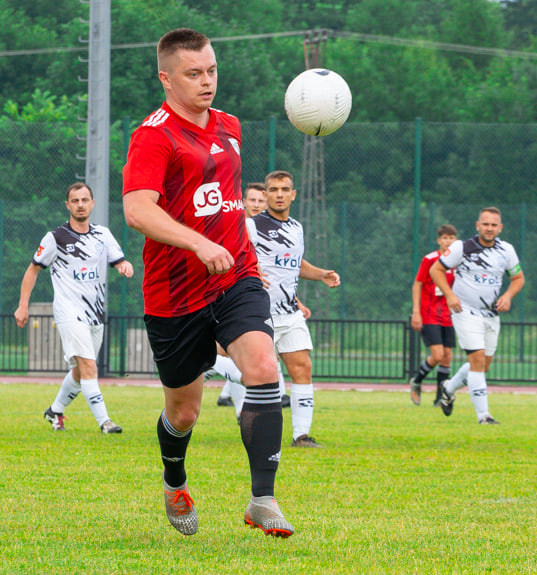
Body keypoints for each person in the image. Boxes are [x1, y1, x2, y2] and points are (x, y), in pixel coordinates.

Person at [122, 28, 293, 538]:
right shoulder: (153, 135)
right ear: (166, 78)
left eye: (212, 70)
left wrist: (243, 248)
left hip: (235, 276)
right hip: (174, 293)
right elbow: (136, 210)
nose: (206, 81)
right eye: (193, 73)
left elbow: (227, 198)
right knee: (185, 410)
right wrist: (197, 243)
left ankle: (262, 498)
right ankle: (174, 477)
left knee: (264, 365)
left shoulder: (230, 126)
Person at [14, 182, 133, 434]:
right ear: (67, 205)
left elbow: (120, 260)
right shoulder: (55, 238)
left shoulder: (103, 234)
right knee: (90, 366)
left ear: (92, 203)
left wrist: (125, 266)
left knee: (80, 371)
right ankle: (105, 422)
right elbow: (33, 269)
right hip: (69, 312)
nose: (80, 204)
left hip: (95, 313)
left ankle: (55, 411)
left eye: (85, 200)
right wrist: (22, 306)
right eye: (75, 200)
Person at [246, 169, 341, 448]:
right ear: (265, 195)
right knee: (260, 375)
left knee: (302, 367)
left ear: (293, 194)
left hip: (290, 312)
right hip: (260, 312)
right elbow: (234, 254)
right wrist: (248, 271)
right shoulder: (252, 225)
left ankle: (301, 435)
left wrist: (322, 274)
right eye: (273, 190)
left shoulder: (296, 228)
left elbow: (296, 263)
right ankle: (261, 434)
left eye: (284, 189)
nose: (279, 195)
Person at [430, 208, 524, 424]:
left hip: (490, 314)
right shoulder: (461, 247)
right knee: (477, 359)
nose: (489, 228)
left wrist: (508, 296)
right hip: (464, 311)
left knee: (483, 365)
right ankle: (484, 416)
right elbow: (436, 270)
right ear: (477, 225)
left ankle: (448, 387)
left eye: (493, 225)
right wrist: (450, 295)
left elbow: (518, 278)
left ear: (500, 228)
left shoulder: (506, 250)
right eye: (485, 224)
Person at [214, 182, 301, 411]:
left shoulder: (275, 228)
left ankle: (248, 407)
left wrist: (297, 300)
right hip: (235, 297)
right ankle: (244, 404)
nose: (256, 205)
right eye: (252, 200)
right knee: (228, 353)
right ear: (242, 203)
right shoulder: (239, 226)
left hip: (271, 305)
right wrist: (248, 273)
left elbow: (285, 267)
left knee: (257, 356)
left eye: (260, 201)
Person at [409, 224, 458, 406]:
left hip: (449, 314)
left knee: (447, 356)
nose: (448, 241)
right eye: (444, 238)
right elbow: (418, 284)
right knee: (437, 355)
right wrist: (416, 311)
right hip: (430, 313)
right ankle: (417, 380)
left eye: (451, 238)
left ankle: (440, 397)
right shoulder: (430, 259)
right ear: (439, 241)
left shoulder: (458, 261)